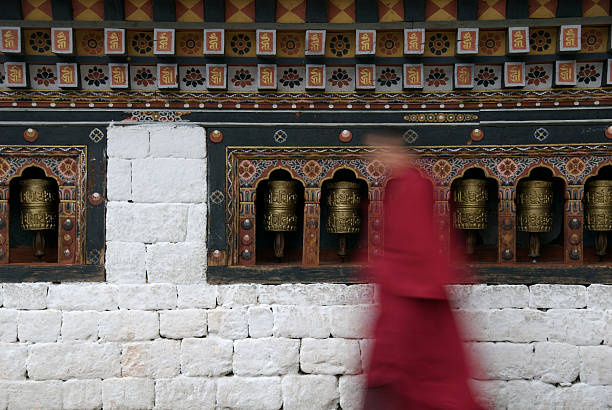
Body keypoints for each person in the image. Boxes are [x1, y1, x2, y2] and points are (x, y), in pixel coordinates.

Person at [362, 134, 484, 410]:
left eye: (382, 151)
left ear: (397, 151)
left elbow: (416, 242)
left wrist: (393, 271)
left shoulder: (415, 186)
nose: (378, 159)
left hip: (413, 297)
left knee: (420, 384)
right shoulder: (401, 188)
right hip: (402, 292)